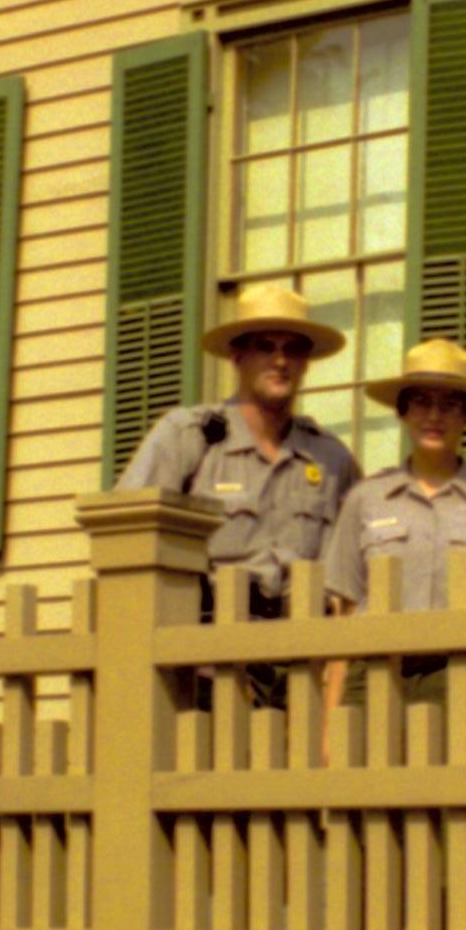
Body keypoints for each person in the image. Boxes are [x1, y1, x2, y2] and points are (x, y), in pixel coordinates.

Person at [115, 283, 361, 702]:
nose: (280, 361)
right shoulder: (190, 437)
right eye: (265, 346)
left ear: (305, 364)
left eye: (293, 350)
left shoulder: (331, 459)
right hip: (208, 665)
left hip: (301, 665)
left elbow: (357, 571)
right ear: (237, 356)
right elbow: (126, 540)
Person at [320, 338, 466, 718]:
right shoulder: (365, 499)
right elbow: (343, 618)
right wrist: (331, 723)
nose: (435, 415)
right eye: (422, 402)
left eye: (450, 404)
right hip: (375, 674)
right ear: (403, 411)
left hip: (460, 678)